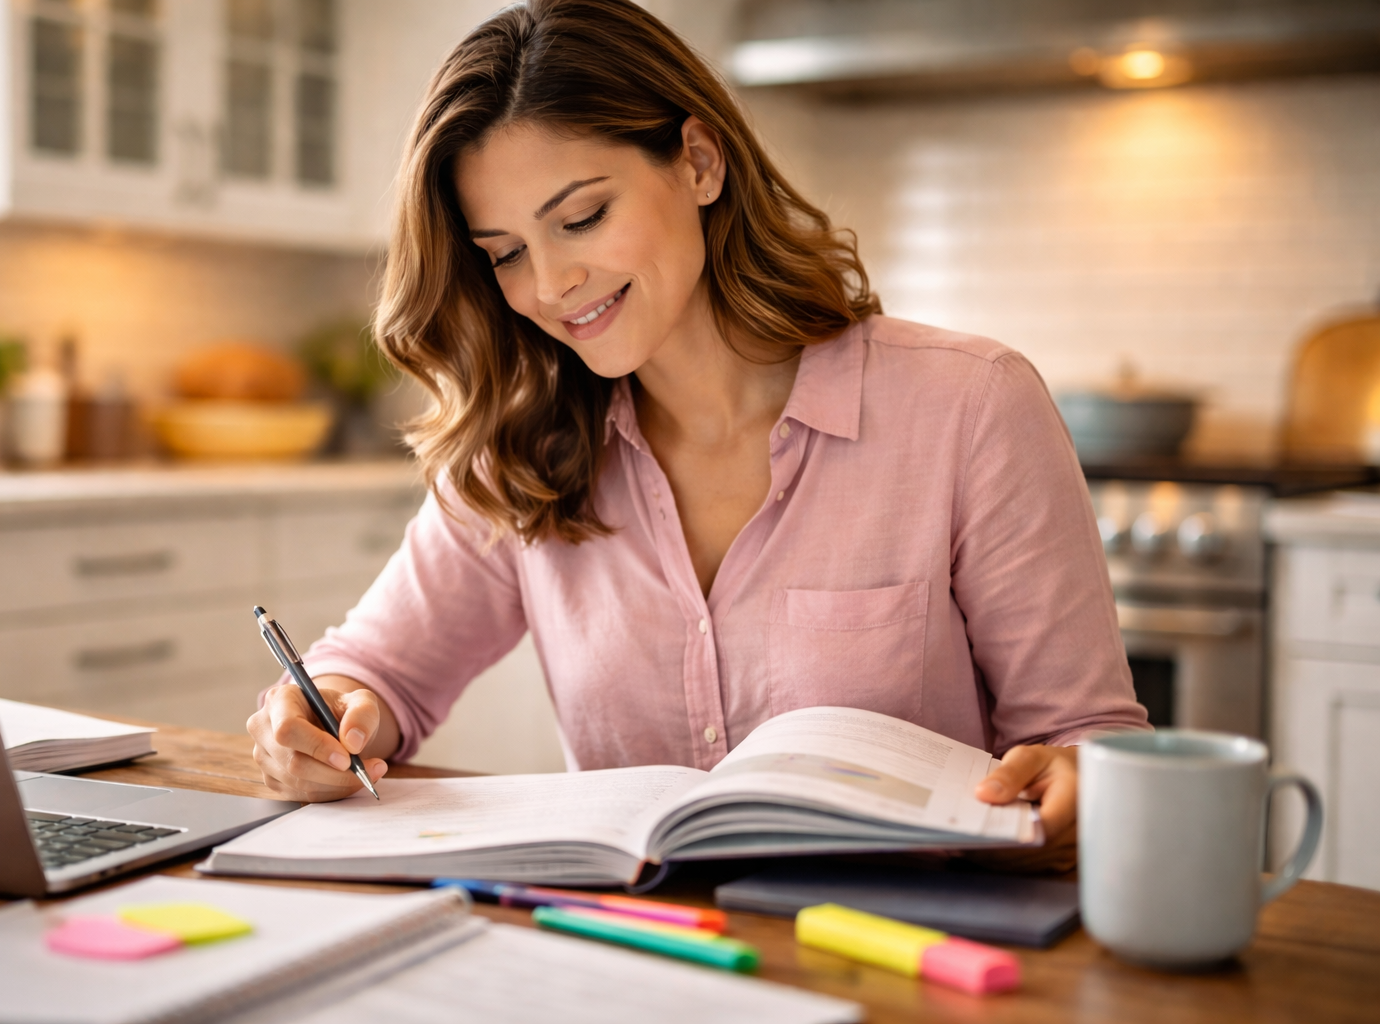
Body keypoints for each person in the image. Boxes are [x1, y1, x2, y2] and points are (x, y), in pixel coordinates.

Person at [247, 0, 1147, 868]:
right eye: (506, 253)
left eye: (582, 217)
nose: (553, 282)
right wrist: (326, 717)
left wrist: (1078, 777)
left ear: (700, 162)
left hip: (914, 956)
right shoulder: (522, 446)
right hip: (638, 950)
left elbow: (1086, 743)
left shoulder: (970, 407)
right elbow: (374, 673)